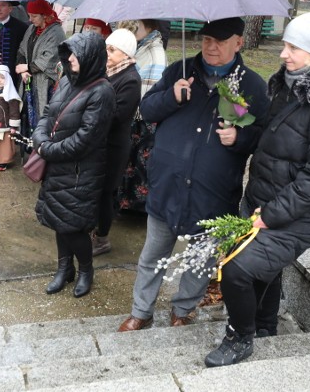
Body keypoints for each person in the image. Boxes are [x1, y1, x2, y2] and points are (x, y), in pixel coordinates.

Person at [205, 10, 310, 367]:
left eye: (292, 47)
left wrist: (270, 215)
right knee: (264, 269)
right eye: (286, 45)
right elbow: (271, 137)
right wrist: (240, 132)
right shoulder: (291, 85)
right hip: (263, 199)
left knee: (237, 270)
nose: (283, 54)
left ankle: (239, 337)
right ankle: (263, 325)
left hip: (296, 214)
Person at [118, 17, 269, 332]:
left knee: (200, 262)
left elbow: (265, 136)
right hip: (168, 187)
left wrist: (240, 139)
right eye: (206, 40)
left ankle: (183, 310)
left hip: (212, 193)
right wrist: (172, 96)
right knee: (152, 255)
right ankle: (141, 311)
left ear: (238, 43)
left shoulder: (251, 85)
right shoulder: (180, 71)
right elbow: (146, 111)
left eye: (220, 41)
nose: (211, 47)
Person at [33, 32, 116, 298]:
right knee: (60, 221)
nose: (70, 59)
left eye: (75, 54)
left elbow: (85, 140)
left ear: (91, 57)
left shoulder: (102, 92)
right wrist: (40, 138)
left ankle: (86, 271)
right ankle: (64, 269)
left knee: (73, 226)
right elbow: (47, 115)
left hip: (81, 172)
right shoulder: (68, 81)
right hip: (59, 166)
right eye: (68, 54)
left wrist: (48, 149)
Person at [92, 29, 142, 256]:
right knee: (94, 189)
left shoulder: (130, 79)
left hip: (113, 146)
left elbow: (117, 116)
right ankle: (92, 228)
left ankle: (102, 238)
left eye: (112, 50)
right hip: (98, 142)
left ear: (126, 54)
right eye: (106, 49)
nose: (107, 54)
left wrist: (91, 111)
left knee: (105, 192)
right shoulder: (108, 71)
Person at [116, 19, 167, 214]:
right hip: (134, 115)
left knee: (139, 164)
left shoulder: (155, 51)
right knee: (129, 161)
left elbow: (151, 87)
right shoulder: (142, 45)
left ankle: (137, 207)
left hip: (144, 118)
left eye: (138, 23)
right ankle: (125, 202)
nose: (133, 26)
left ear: (150, 26)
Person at [16, 0, 67, 119]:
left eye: (34, 16)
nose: (30, 19)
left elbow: (49, 59)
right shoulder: (32, 29)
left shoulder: (56, 32)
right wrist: (23, 70)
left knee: (43, 117)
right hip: (28, 81)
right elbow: (21, 50)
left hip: (46, 85)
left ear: (44, 15)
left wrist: (27, 67)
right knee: (26, 117)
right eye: (29, 15)